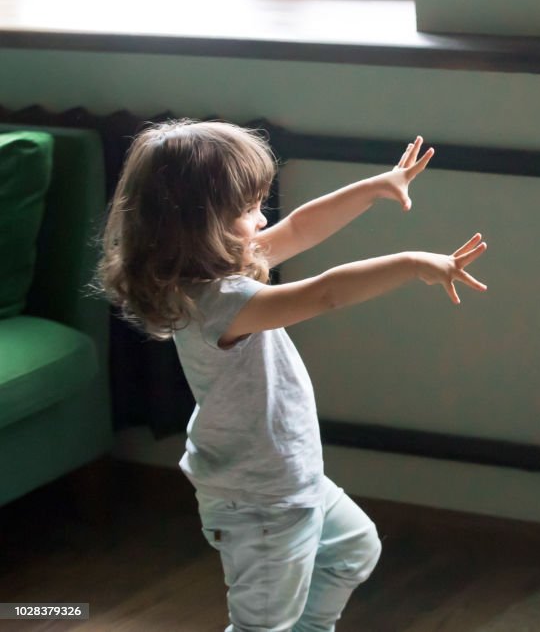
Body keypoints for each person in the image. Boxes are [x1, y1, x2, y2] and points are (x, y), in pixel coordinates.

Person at [98, 121, 487, 631]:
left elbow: (301, 227)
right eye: (247, 211)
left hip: (288, 478)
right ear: (199, 224)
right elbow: (325, 293)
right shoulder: (219, 303)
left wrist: (375, 188)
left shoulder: (216, 273)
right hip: (261, 503)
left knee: (353, 549)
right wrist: (411, 263)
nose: (261, 220)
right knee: (262, 626)